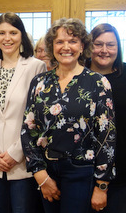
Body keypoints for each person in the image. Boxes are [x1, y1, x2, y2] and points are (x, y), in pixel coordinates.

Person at [21, 18, 116, 213]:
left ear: (82, 46)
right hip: (46, 171)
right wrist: (39, 173)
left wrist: (102, 185)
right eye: (59, 42)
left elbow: (106, 136)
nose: (66, 47)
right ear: (52, 46)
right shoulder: (39, 82)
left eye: (72, 41)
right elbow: (28, 129)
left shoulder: (98, 83)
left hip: (81, 172)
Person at [0, 13, 46, 213]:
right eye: (2, 33)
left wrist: (16, 152)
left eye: (13, 32)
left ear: (21, 35)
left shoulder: (36, 66)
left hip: (22, 158)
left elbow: (37, 117)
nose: (7, 38)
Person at [86, 23, 126, 213]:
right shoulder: (77, 76)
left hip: (123, 173)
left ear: (118, 48)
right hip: (80, 173)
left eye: (110, 45)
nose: (104, 50)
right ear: (89, 47)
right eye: (98, 44)